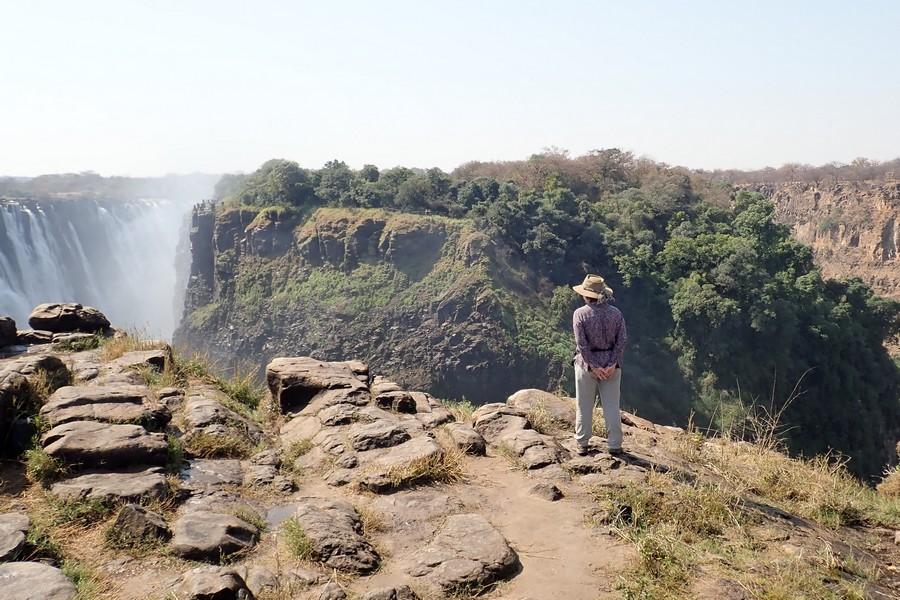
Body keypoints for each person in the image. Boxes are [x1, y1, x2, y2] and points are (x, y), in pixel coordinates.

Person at [571, 274, 627, 456]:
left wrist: (594, 366)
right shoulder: (616, 314)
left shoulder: (580, 314)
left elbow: (582, 345)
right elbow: (621, 342)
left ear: (586, 295)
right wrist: (611, 364)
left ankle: (582, 443)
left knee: (584, 405)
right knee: (611, 406)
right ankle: (615, 445)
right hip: (612, 366)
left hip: (586, 366)